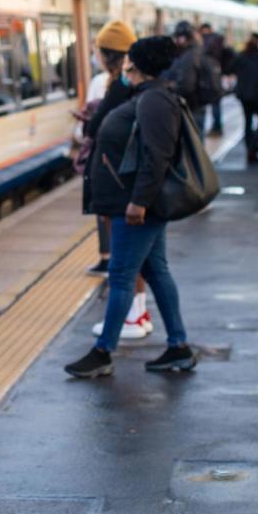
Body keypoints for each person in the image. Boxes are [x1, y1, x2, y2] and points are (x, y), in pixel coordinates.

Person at [65, 35, 196, 378]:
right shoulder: (143, 95)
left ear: (134, 63)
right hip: (132, 202)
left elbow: (157, 156)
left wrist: (138, 202)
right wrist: (117, 92)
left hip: (135, 206)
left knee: (121, 275)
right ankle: (179, 346)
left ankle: (103, 351)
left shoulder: (155, 101)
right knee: (155, 271)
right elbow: (98, 128)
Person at [77, 20, 154, 340]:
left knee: (126, 260)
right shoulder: (140, 86)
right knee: (149, 262)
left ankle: (130, 320)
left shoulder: (117, 86)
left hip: (119, 180)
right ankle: (141, 313)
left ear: (106, 55)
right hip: (130, 180)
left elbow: (96, 129)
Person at [231, 33, 258, 164]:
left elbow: (230, 69)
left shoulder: (241, 56)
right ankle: (254, 146)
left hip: (245, 96)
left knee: (247, 123)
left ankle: (249, 148)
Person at [164, 21, 208, 133]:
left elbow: (186, 86)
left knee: (193, 143)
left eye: (178, 37)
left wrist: (171, 86)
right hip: (198, 105)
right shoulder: (198, 50)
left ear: (184, 37)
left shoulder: (189, 56)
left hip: (191, 106)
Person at [199, 23, 233, 138]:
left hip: (211, 78)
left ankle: (216, 127)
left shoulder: (209, 43)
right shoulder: (218, 41)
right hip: (216, 76)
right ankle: (217, 127)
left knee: (214, 104)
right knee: (216, 104)